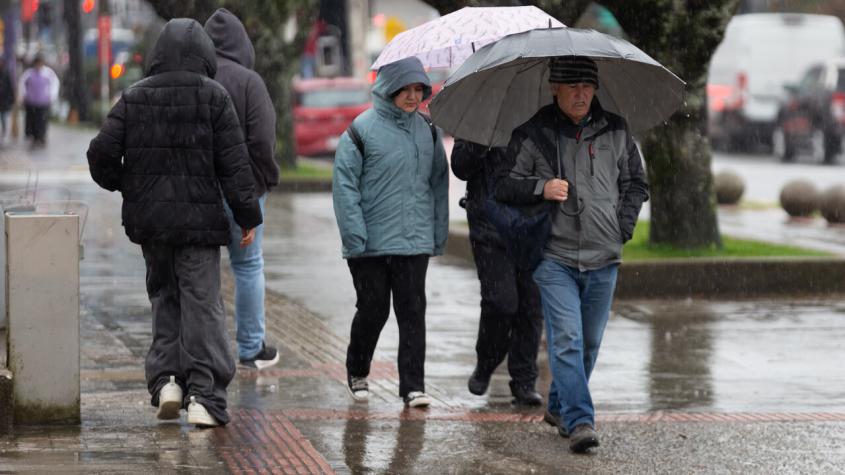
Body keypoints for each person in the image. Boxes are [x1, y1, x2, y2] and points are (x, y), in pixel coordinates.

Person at [86, 18, 262, 428]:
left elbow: (99, 155)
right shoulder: (215, 97)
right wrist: (248, 215)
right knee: (202, 305)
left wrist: (129, 185)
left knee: (164, 296)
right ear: (205, 55)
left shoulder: (134, 97)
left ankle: (167, 380)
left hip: (152, 225)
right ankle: (205, 394)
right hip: (199, 224)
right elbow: (235, 166)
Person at [495, 56, 649, 453]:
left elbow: (636, 183)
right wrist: (541, 188)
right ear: (554, 88)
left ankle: (559, 406)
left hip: (604, 254)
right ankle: (580, 421)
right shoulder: (534, 133)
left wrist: (623, 227)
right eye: (572, 86)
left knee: (590, 343)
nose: (581, 93)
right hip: (553, 255)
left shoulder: (616, 129)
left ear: (595, 88)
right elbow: (503, 185)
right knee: (567, 339)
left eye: (587, 85)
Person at [332, 56, 449, 408]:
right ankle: (357, 368)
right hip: (368, 244)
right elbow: (345, 186)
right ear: (389, 88)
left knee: (412, 312)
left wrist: (437, 233)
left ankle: (413, 385)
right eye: (406, 89)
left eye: (419, 89)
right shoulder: (360, 131)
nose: (413, 97)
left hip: (414, 240)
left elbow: (438, 185)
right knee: (373, 309)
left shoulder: (428, 130)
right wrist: (355, 236)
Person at [205, 8, 280, 371]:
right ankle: (251, 348)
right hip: (243, 190)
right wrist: (264, 181)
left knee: (201, 270)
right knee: (248, 266)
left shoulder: (195, 77)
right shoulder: (250, 82)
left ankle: (206, 349)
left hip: (200, 190)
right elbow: (262, 140)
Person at [451, 139, 544, 406]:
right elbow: (460, 167)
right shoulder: (483, 117)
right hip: (490, 229)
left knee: (531, 306)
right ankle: (486, 362)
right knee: (501, 302)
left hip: (532, 227)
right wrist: (481, 145)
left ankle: (524, 379)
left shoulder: (541, 118)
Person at [18, 54, 59, 147]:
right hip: (31, 101)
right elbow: (22, 83)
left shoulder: (48, 73)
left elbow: (55, 84)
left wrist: (52, 96)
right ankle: (34, 137)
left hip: (43, 102)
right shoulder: (29, 73)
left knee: (42, 120)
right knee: (32, 120)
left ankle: (41, 137)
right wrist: (23, 95)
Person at [0, 61, 15, 145]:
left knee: (4, 119)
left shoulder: (6, 74)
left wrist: (11, 100)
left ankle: (4, 134)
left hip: (4, 102)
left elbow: (10, 88)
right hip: (3, 101)